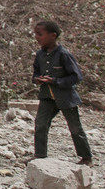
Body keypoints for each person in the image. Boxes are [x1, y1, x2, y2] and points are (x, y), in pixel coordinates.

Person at [32, 20, 93, 165]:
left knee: (75, 128)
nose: (36, 37)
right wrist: (38, 79)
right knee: (40, 124)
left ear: (53, 36)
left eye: (40, 34)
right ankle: (40, 156)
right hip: (47, 96)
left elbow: (76, 76)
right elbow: (35, 73)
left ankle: (86, 158)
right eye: (35, 34)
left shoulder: (64, 54)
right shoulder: (40, 55)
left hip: (66, 97)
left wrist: (55, 81)